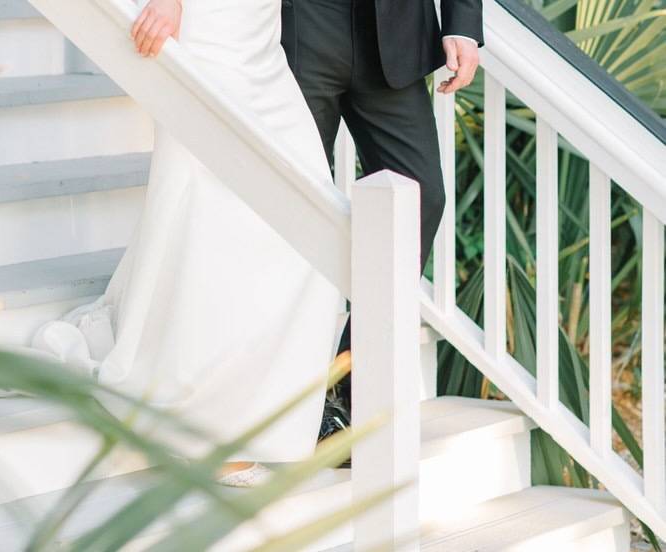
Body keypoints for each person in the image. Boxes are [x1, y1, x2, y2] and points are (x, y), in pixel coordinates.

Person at [30, 0, 342, 487]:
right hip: (206, 31)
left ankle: (256, 405)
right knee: (211, 216)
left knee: (304, 215)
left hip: (262, 37)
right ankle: (209, 430)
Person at [281, 0, 483, 360]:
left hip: (394, 39)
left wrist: (462, 25)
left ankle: (348, 380)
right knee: (292, 203)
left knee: (421, 196)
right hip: (304, 24)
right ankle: (288, 379)